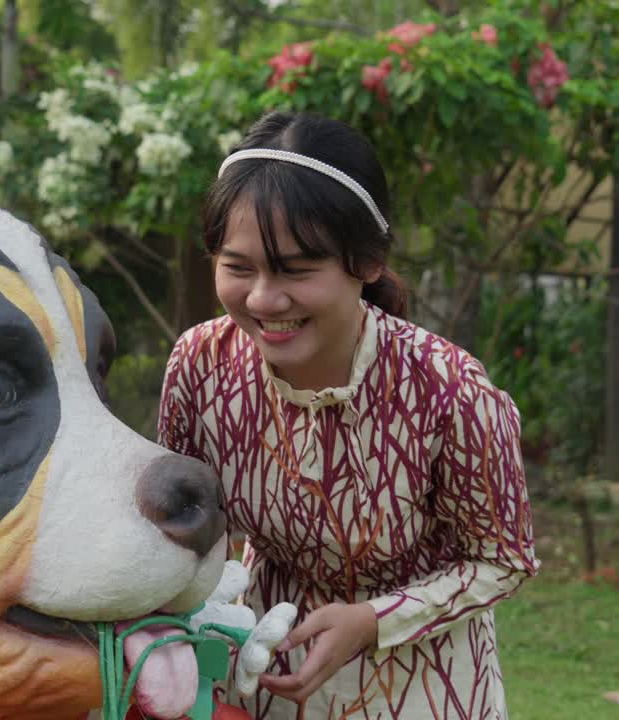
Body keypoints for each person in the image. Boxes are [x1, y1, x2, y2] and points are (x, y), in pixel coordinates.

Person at [158, 111, 539, 720]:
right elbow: (184, 524)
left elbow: (503, 560)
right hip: (259, 666)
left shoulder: (449, 390)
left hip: (418, 684)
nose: (261, 299)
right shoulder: (200, 363)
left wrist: (372, 621)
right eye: (237, 267)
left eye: (295, 270)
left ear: (366, 262)